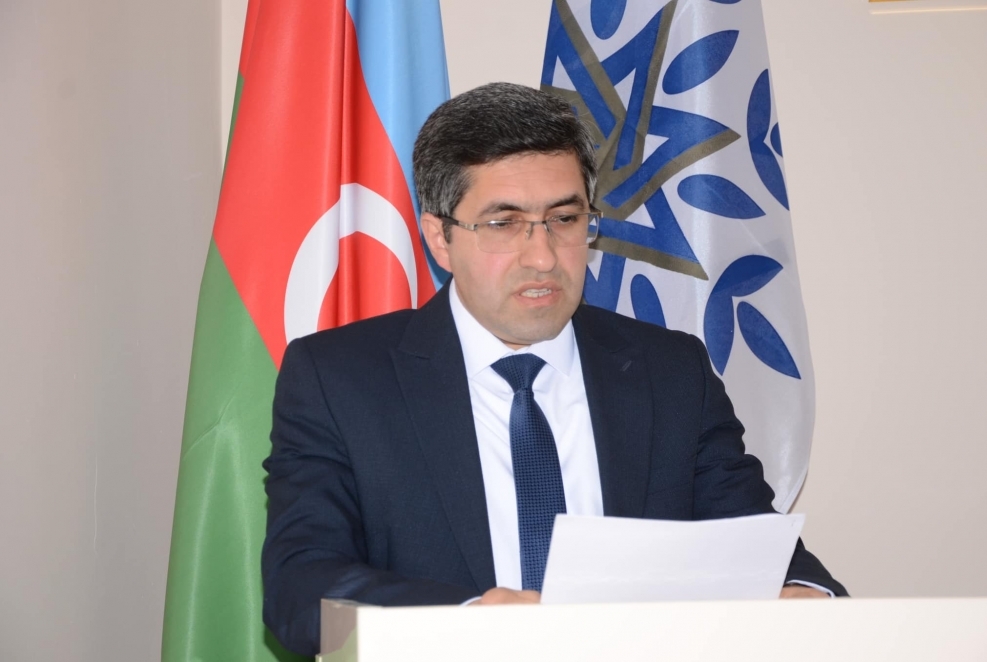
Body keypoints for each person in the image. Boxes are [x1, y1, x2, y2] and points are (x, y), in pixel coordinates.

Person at [261, 82, 846, 656]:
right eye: (504, 224)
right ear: (439, 237)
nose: (543, 257)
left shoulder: (670, 373)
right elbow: (300, 588)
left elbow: (759, 549)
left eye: (564, 219)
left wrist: (807, 597)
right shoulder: (340, 380)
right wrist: (468, 621)